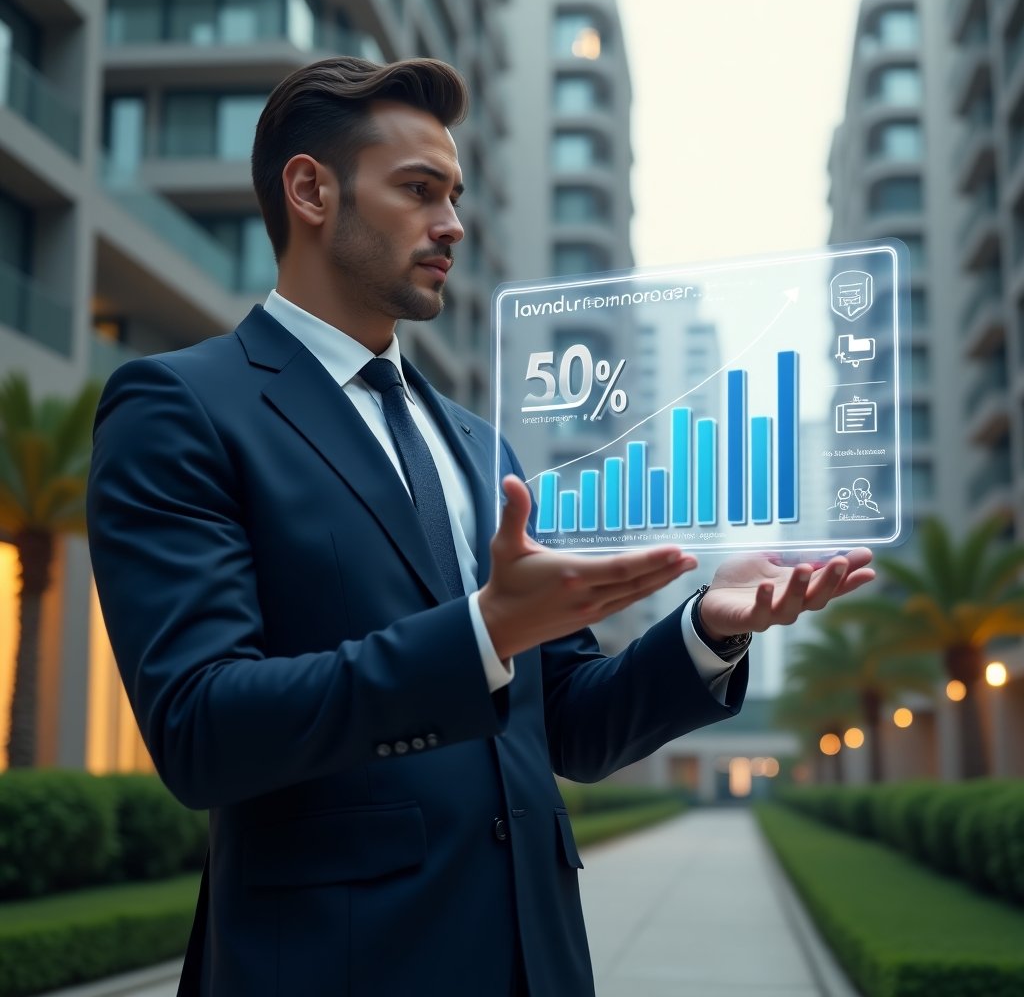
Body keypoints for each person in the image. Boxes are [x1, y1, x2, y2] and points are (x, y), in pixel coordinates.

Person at [86, 57, 874, 997]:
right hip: (333, 969)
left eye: (454, 194)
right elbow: (201, 726)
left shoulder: (476, 442)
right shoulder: (179, 407)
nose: (452, 223)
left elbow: (569, 725)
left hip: (535, 964)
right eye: (419, 190)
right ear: (310, 190)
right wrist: (485, 631)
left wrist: (710, 629)